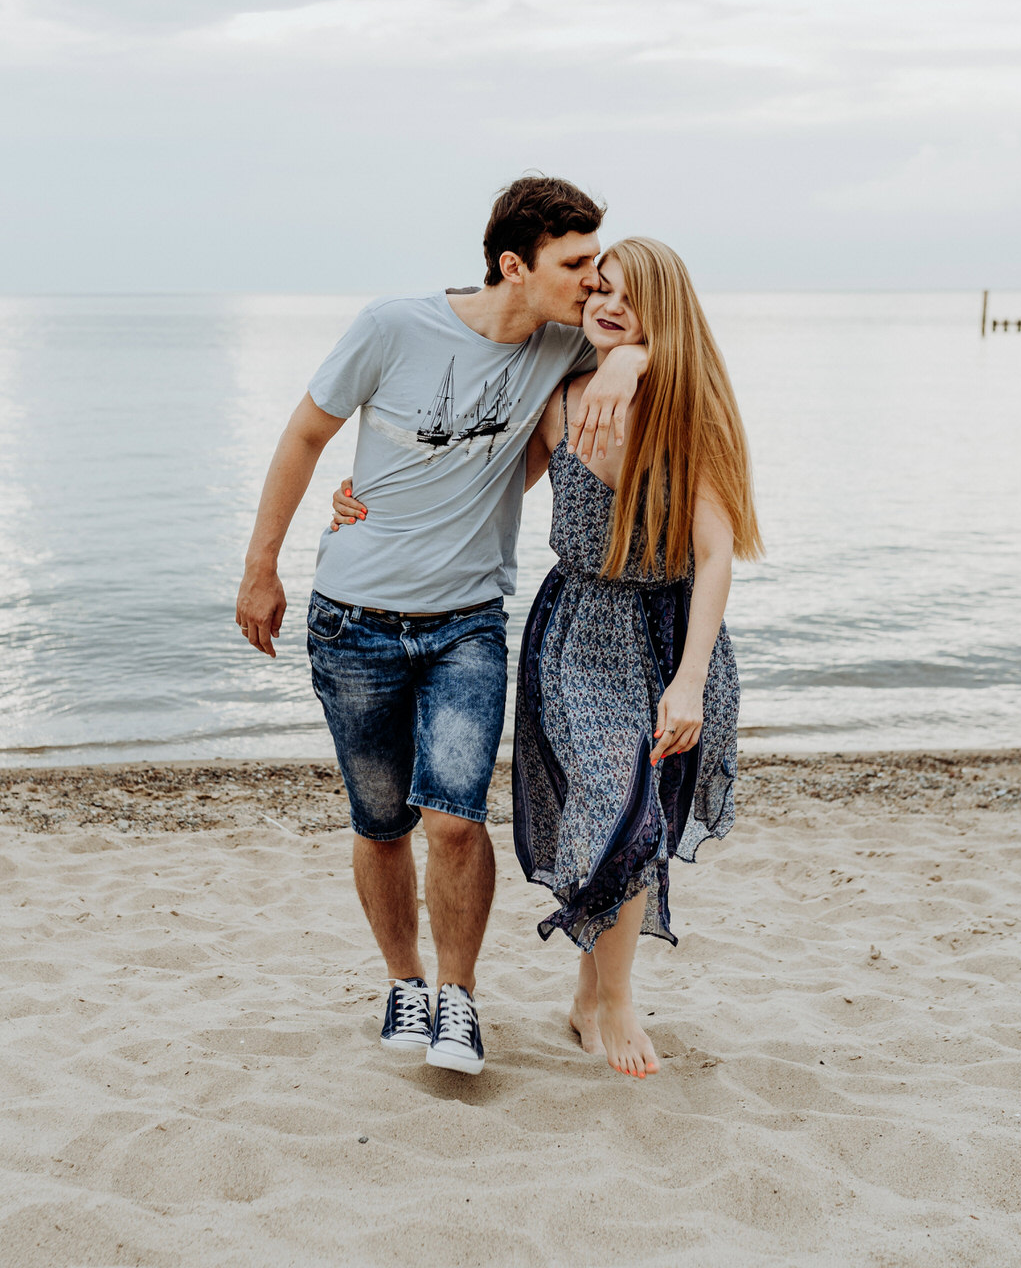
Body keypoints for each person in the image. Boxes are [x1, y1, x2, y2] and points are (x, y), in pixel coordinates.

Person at [233, 176, 648, 1076]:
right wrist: (262, 565)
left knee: (455, 820)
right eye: (575, 265)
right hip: (352, 622)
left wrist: (625, 362)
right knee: (381, 822)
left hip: (467, 623)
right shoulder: (392, 327)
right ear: (515, 264)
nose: (592, 281)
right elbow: (305, 435)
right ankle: (405, 981)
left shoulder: (567, 346)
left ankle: (458, 1000)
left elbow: (671, 343)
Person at [332, 236, 761, 1079]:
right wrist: (367, 502)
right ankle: (618, 1003)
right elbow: (476, 478)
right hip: (575, 635)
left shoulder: (684, 410)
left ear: (660, 312)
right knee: (610, 803)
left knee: (633, 816)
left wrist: (689, 684)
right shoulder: (560, 403)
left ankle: (593, 996)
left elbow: (715, 555)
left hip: (671, 635)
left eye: (629, 298)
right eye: (599, 288)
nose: (607, 305)